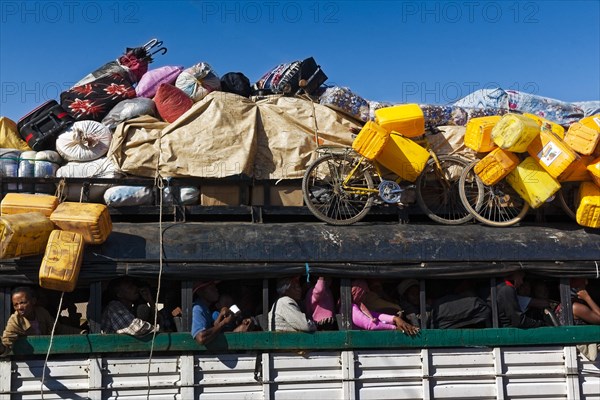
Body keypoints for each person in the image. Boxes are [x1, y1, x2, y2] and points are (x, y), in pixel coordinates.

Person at [1, 287, 85, 356]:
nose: (19, 307)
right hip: (27, 360)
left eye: (23, 303)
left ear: (33, 301)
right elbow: (7, 341)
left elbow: (58, 329)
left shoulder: (42, 312)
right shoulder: (15, 320)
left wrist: (81, 333)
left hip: (47, 355)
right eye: (16, 305)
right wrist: (2, 348)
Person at [192, 281, 253, 345]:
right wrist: (224, 322)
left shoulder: (207, 309)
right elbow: (201, 338)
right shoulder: (198, 309)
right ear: (200, 292)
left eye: (215, 287)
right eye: (211, 288)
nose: (216, 289)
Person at [351, 280, 419, 335]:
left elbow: (375, 315)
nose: (366, 295)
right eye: (364, 293)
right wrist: (394, 328)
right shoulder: (352, 308)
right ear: (357, 293)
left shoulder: (359, 307)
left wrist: (395, 319)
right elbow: (370, 325)